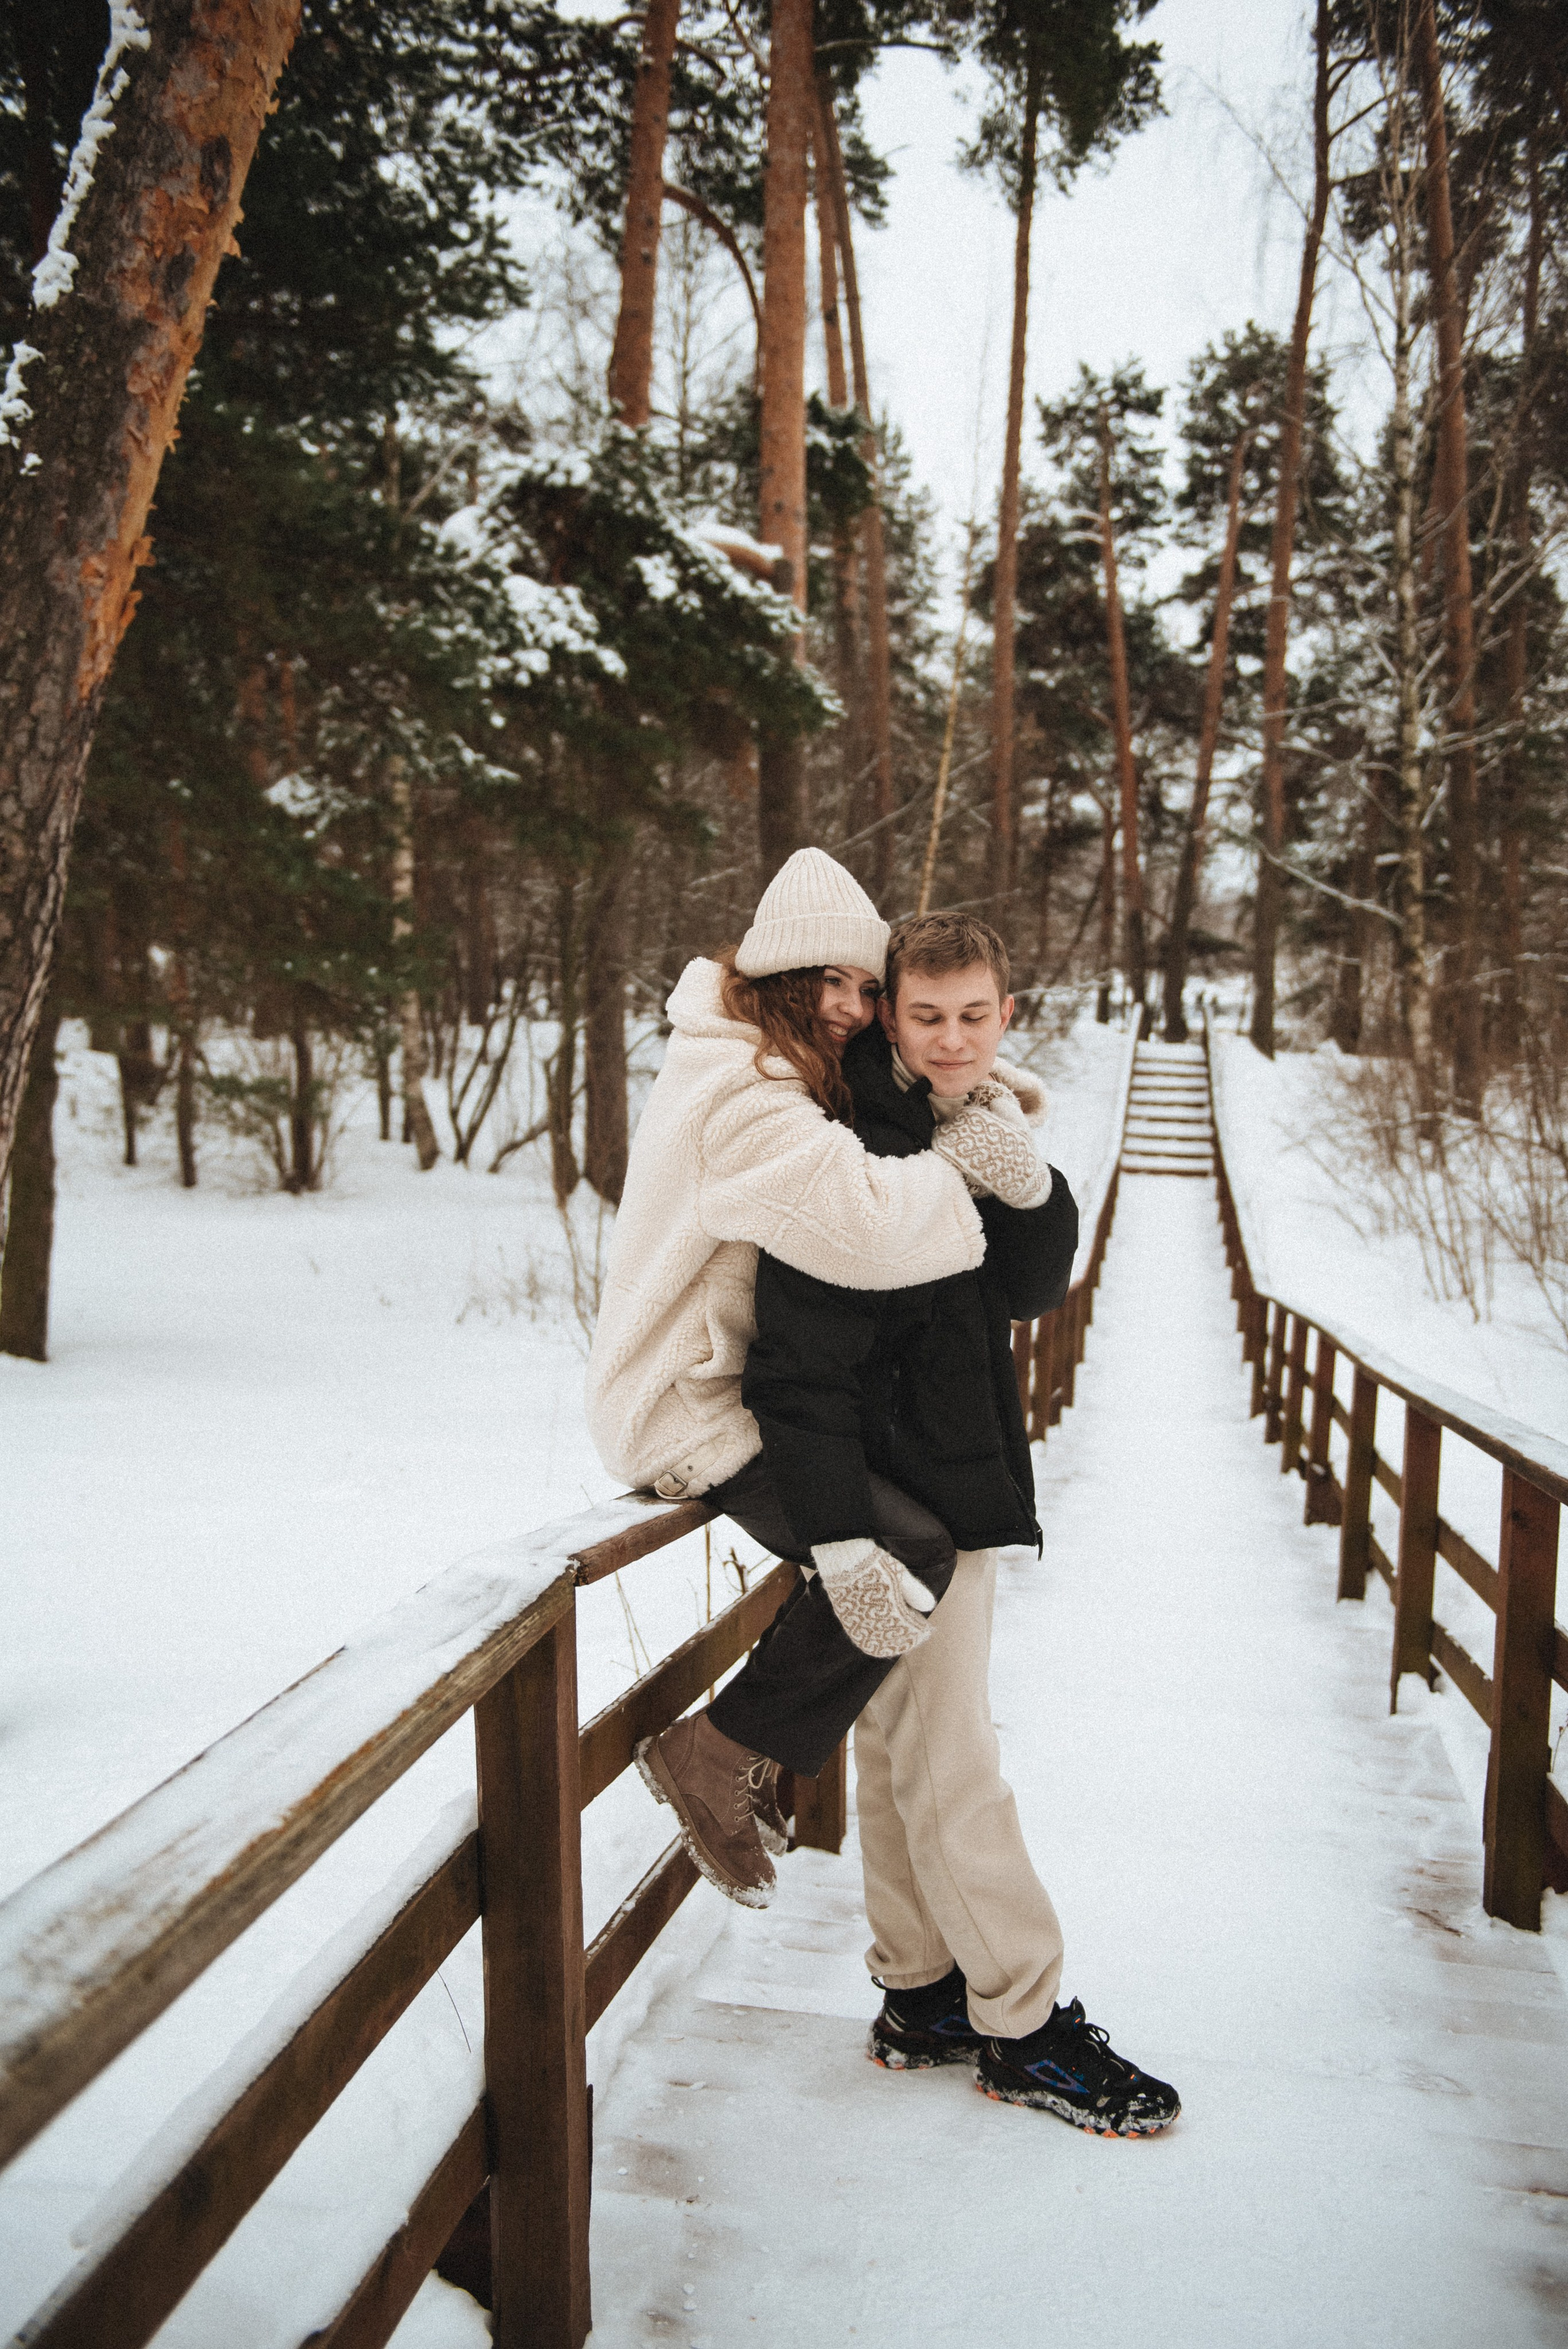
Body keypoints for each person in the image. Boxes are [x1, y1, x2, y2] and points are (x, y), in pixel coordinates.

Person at [640, 909, 1181, 2139]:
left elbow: (1031, 1285)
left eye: (973, 1015)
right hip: (910, 1504)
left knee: (900, 1762)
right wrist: (848, 1537)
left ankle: (923, 1993)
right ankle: (1025, 2024)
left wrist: (1027, 1184)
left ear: (1006, 1014)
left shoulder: (964, 1121)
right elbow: (799, 1375)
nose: (951, 1038)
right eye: (925, 1015)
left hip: (950, 1481)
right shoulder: (855, 1153)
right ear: (888, 1012)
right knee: (956, 1770)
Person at [585, 848, 1037, 1895]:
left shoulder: (765, 1064)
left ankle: (739, 1753)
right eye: (825, 981)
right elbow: (867, 1224)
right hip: (681, 1406)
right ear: (774, 979)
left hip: (719, 1388)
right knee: (905, 1548)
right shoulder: (742, 1093)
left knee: (899, 1548)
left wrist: (981, 1095)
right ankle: (716, 1751)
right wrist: (967, 1161)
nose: (847, 1006)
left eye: (866, 988)